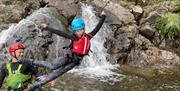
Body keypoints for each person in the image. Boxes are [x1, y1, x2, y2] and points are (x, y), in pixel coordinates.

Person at [23, 11, 106, 90]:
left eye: (80, 30)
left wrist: (103, 16)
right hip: (68, 57)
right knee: (52, 66)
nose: (79, 32)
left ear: (84, 29)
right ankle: (30, 61)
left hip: (74, 62)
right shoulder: (74, 37)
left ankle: (32, 87)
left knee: (55, 75)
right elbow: (60, 33)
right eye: (77, 31)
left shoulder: (88, 36)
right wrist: (47, 27)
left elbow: (97, 28)